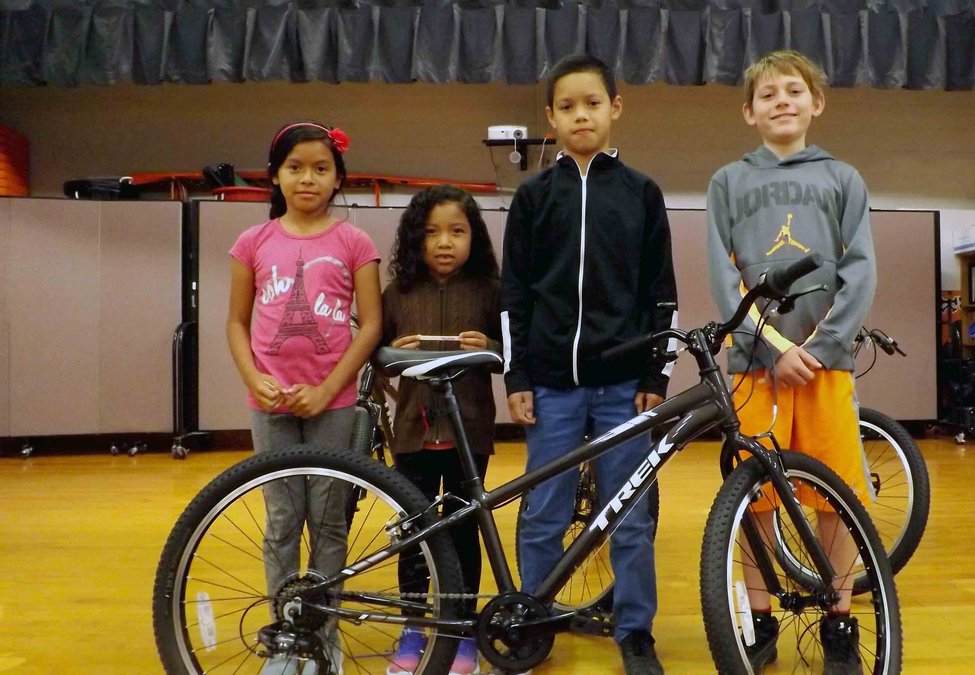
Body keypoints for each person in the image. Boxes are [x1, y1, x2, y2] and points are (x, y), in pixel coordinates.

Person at [501, 54, 678, 675]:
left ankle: (635, 632)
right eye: (568, 106)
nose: (581, 115)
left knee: (630, 516)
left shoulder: (641, 193)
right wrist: (517, 376)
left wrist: (656, 375)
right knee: (544, 512)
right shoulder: (532, 198)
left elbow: (662, 295)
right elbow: (514, 297)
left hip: (624, 388)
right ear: (550, 117)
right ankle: (534, 621)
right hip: (550, 386)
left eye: (593, 103)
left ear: (615, 109)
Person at [706, 50, 877, 675]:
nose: (782, 100)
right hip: (756, 368)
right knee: (753, 498)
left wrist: (822, 345)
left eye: (794, 90)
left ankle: (838, 619)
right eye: (768, 94)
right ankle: (759, 618)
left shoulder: (843, 178)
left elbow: (860, 270)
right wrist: (772, 347)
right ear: (748, 111)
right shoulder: (727, 182)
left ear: (816, 102)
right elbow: (724, 278)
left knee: (837, 496)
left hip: (825, 367)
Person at [227, 120, 382, 674]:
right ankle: (286, 635)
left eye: (320, 168)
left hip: (331, 405)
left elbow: (371, 325)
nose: (308, 178)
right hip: (269, 406)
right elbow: (236, 323)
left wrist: (328, 389)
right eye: (295, 167)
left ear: (338, 177)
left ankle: (324, 632)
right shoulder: (252, 242)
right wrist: (254, 378)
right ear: (275, 176)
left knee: (329, 518)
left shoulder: (355, 243)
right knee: (282, 520)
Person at [380, 185, 502, 675]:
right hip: (412, 432)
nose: (444, 242)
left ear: (474, 237)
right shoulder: (398, 293)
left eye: (457, 231)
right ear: (416, 239)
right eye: (431, 233)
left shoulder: (490, 291)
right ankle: (413, 625)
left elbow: (512, 356)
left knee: (465, 531)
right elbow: (376, 359)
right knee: (413, 532)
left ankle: (461, 628)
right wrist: (394, 352)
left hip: (469, 433)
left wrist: (490, 345)